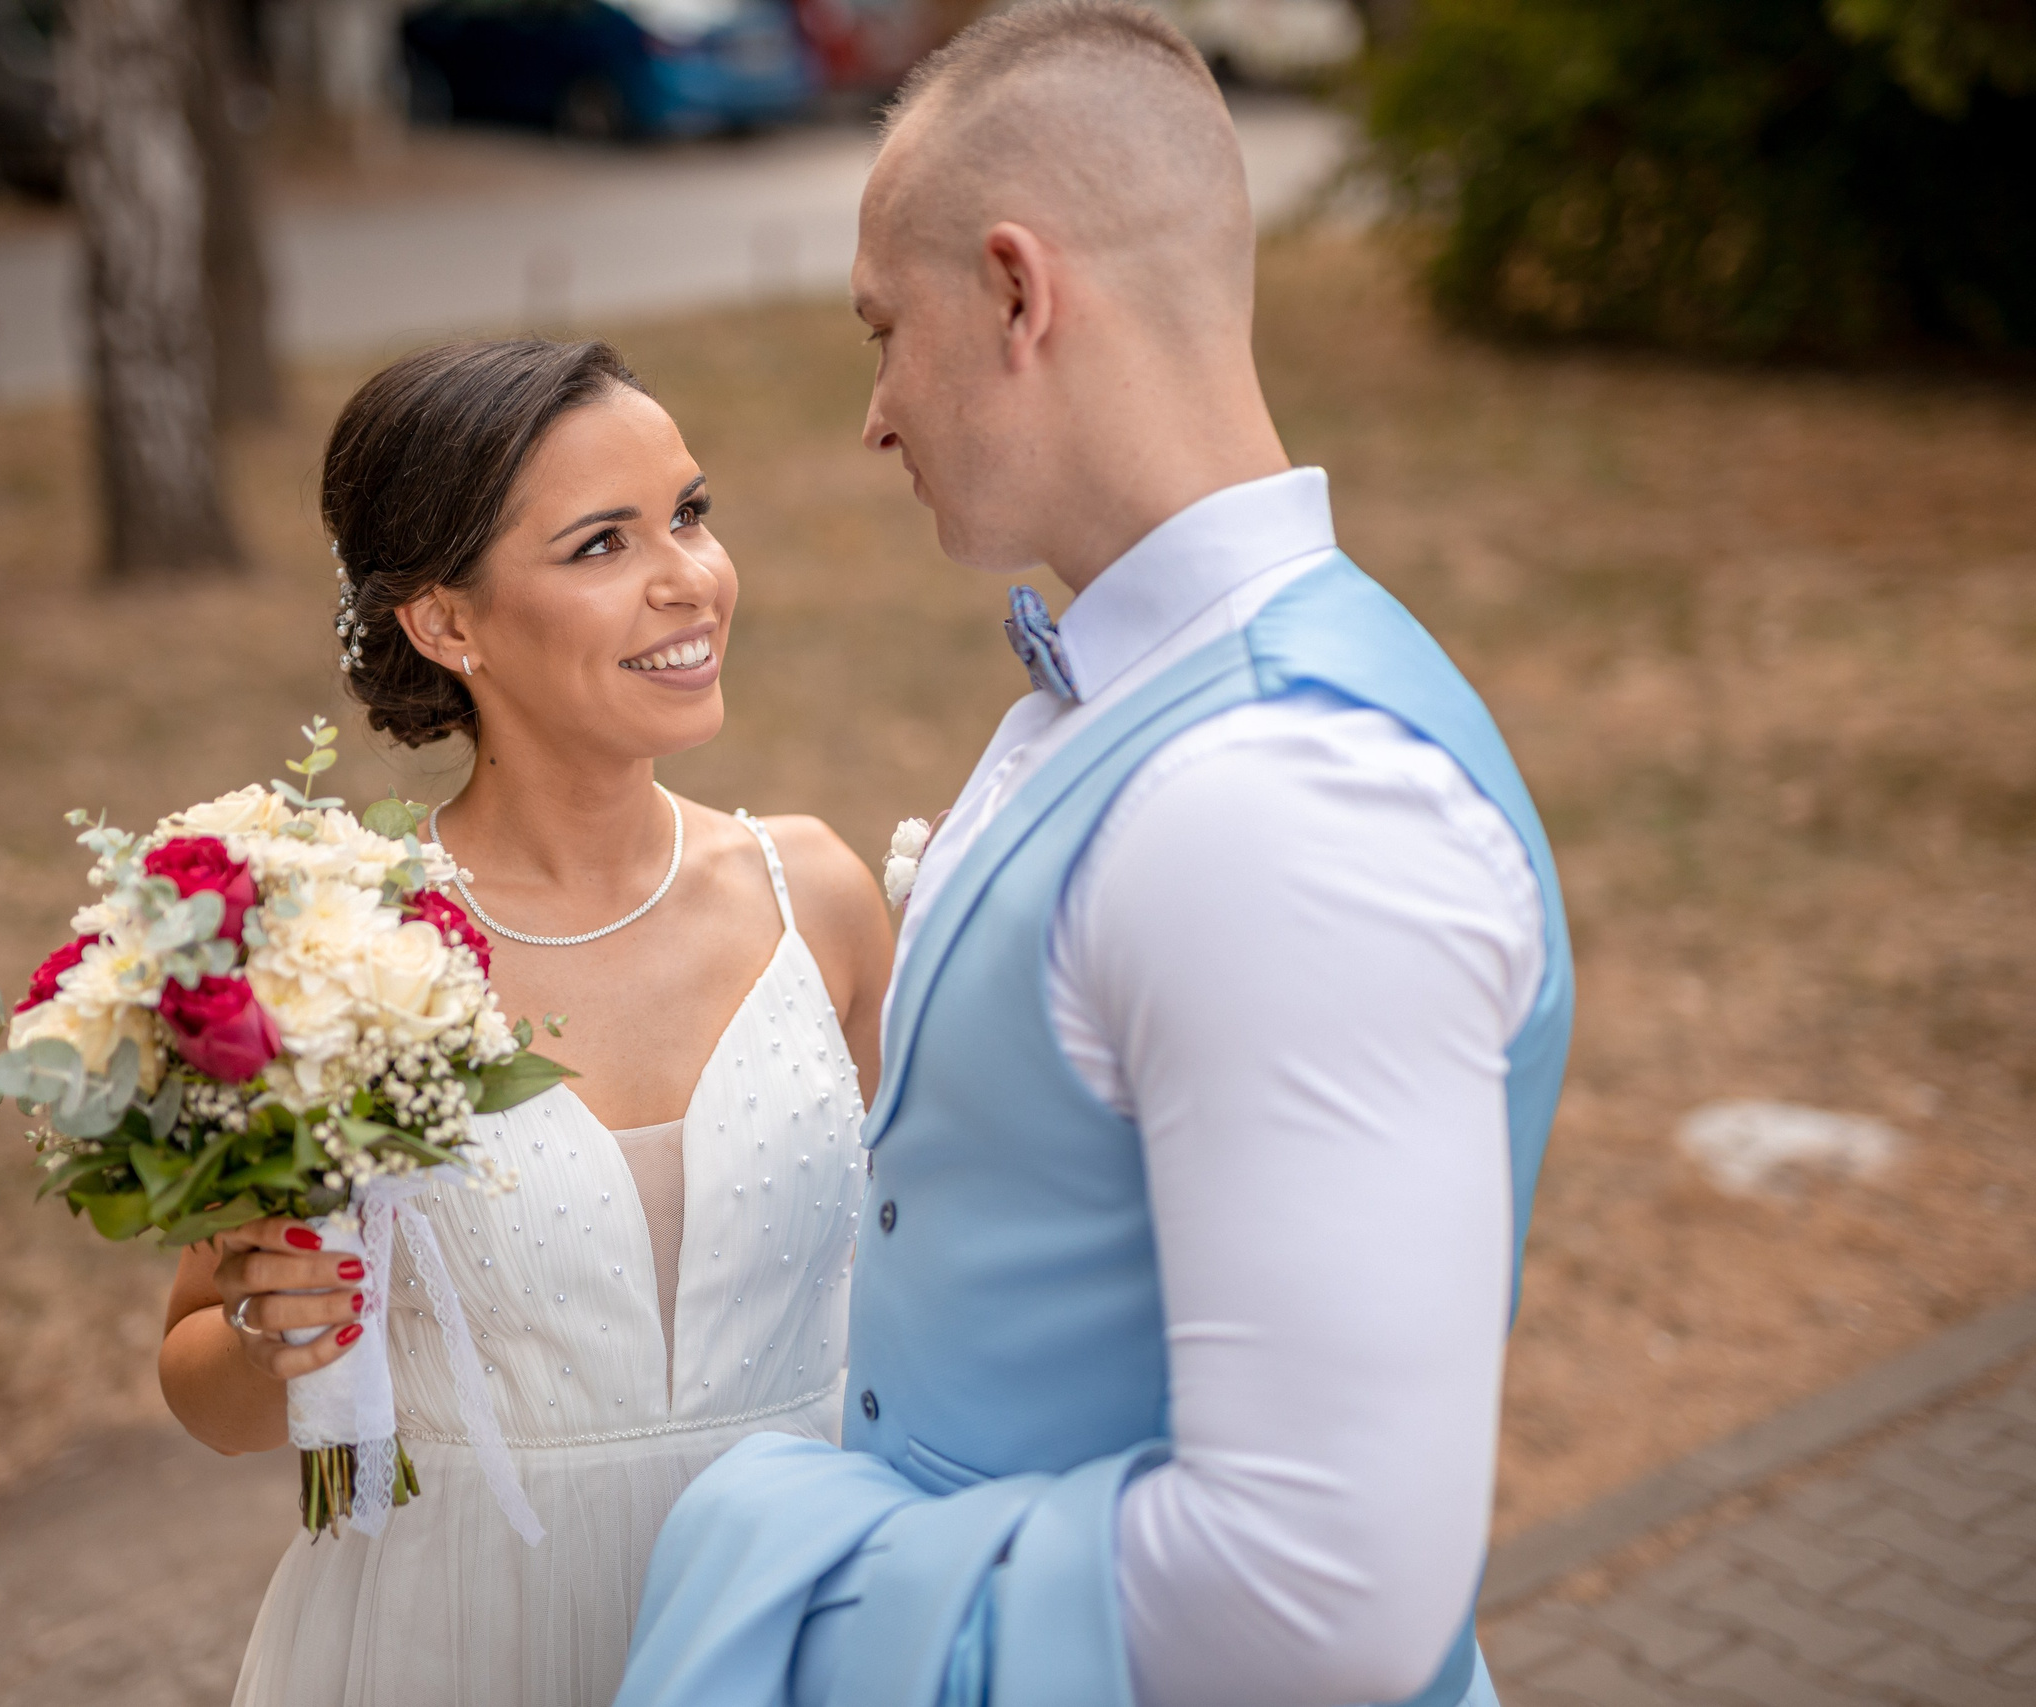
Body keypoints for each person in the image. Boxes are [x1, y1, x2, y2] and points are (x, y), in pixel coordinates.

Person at [616, 7, 1572, 1707]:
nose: (875, 414)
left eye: (884, 331)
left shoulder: (1280, 802)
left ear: (1016, 292)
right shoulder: (1135, 697)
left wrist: (789, 1564)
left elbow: (1324, 1596)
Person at [156, 338, 894, 1707]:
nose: (691, 578)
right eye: (604, 543)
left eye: (690, 512)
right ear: (448, 623)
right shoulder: (340, 952)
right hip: (460, 1639)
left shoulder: (824, 901)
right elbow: (202, 1387)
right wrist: (282, 1337)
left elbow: (940, 1264)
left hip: (805, 1618)